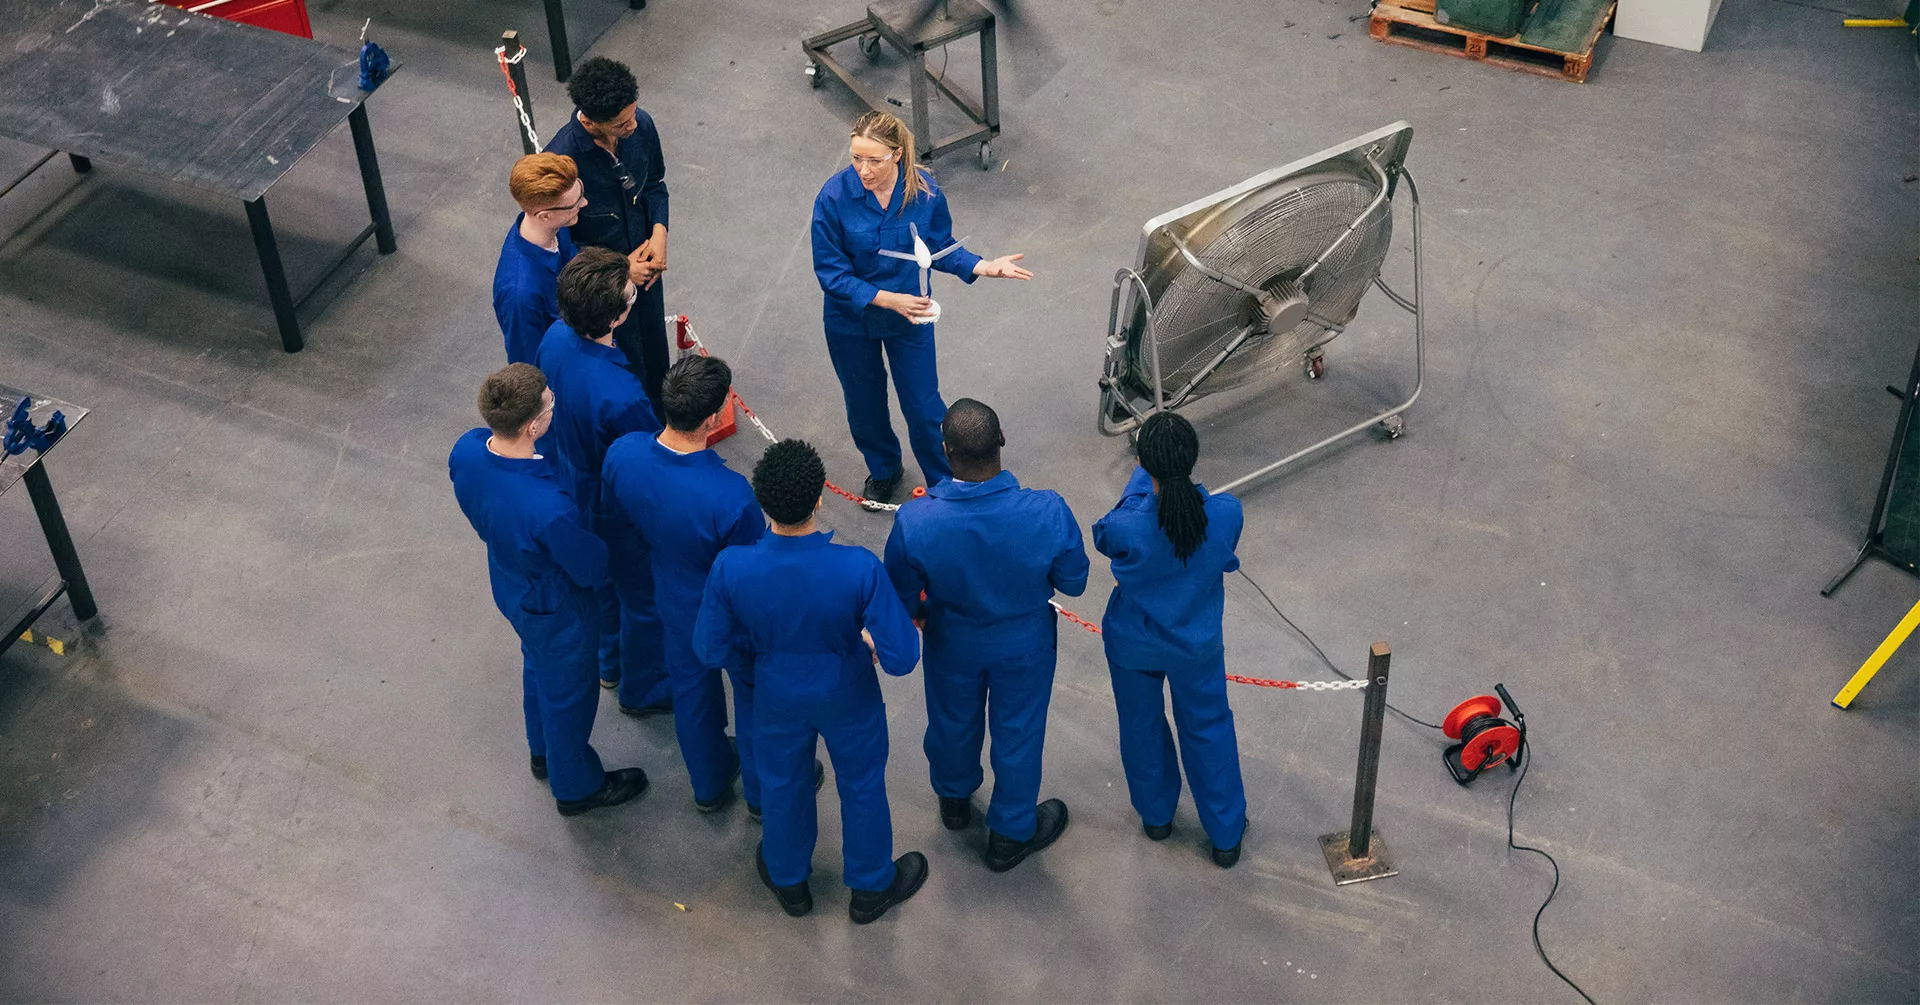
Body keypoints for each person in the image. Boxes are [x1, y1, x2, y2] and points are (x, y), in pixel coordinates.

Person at [695, 439, 927, 923]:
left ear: (763, 503)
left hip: (776, 693)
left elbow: (710, 647)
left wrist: (760, 656)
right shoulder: (857, 568)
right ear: (820, 496)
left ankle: (789, 881)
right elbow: (903, 657)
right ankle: (870, 888)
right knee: (862, 784)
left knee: (782, 783)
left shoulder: (732, 568)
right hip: (848, 692)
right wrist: (866, 643)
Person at [882, 399, 1087, 872]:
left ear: (945, 449)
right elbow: (1073, 582)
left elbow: (902, 593)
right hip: (1025, 642)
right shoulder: (1047, 510)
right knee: (1018, 733)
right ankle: (1010, 834)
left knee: (952, 720)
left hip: (951, 639)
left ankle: (954, 800)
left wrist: (926, 610)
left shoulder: (916, 520)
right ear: (1002, 441)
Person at [602, 354, 803, 815]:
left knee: (692, 690)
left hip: (671, 594)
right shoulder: (732, 496)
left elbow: (619, 516)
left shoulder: (624, 453)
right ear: (713, 417)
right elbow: (754, 571)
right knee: (752, 695)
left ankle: (709, 786)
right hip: (729, 613)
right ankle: (759, 793)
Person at [447, 363, 649, 816]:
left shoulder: (466, 451)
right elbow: (590, 566)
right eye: (550, 403)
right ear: (532, 424)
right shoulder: (548, 508)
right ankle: (576, 785)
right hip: (556, 608)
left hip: (511, 584)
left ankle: (542, 752)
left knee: (536, 667)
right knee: (569, 694)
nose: (553, 406)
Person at [809, 110, 1033, 506]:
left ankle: (944, 483)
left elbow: (939, 248)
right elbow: (831, 273)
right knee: (864, 404)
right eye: (856, 158)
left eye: (874, 160)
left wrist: (984, 266)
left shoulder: (924, 191)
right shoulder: (833, 197)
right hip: (851, 320)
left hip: (910, 317)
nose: (863, 170)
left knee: (925, 407)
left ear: (897, 155)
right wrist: (886, 299)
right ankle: (884, 469)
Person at [1092, 411, 1249, 867]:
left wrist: (1142, 481)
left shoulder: (1125, 525)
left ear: (1144, 463)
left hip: (1133, 644)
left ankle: (1157, 817)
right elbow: (1192, 524)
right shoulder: (1225, 514)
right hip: (1195, 644)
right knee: (1208, 729)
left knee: (1140, 727)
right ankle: (1225, 834)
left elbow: (1107, 534)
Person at [536, 248, 671, 712]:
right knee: (641, 596)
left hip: (567, 481)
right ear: (616, 317)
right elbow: (642, 468)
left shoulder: (554, 338)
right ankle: (645, 688)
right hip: (612, 508)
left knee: (602, 586)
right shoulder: (621, 396)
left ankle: (609, 662)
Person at [545, 56, 671, 410]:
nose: (632, 125)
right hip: (604, 292)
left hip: (647, 273)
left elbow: (655, 185)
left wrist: (659, 233)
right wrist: (618, 269)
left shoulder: (641, 126)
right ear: (589, 120)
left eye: (633, 114)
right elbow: (558, 240)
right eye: (620, 124)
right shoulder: (563, 161)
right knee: (626, 367)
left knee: (655, 349)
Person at [492, 152, 584, 366]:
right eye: (574, 204)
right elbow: (529, 367)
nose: (585, 203)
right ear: (544, 215)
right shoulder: (520, 296)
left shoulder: (555, 228)